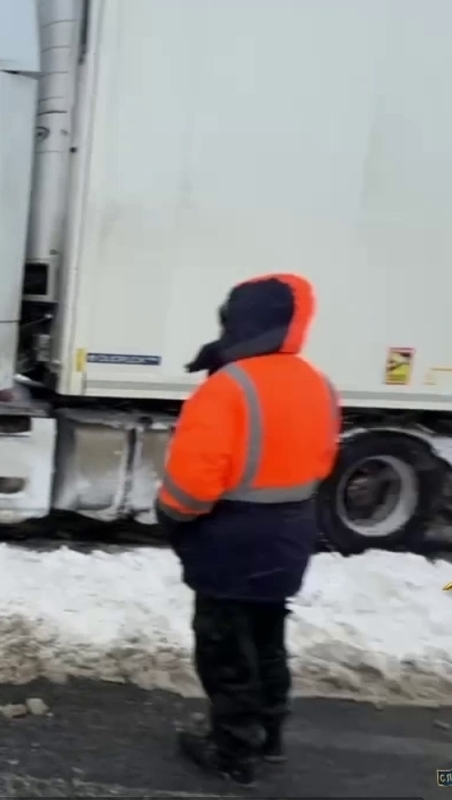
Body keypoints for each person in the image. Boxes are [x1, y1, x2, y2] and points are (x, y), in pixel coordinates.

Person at [155, 272, 340, 786]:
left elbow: (192, 485)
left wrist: (170, 517)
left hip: (232, 537)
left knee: (225, 647)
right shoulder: (317, 382)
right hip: (292, 530)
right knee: (267, 634)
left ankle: (234, 751)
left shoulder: (227, 387)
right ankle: (270, 734)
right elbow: (323, 459)